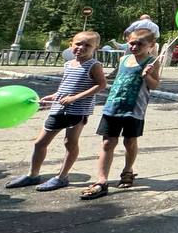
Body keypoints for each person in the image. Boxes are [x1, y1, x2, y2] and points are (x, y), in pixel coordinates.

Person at [6, 31, 107, 192]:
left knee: (69, 143)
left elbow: (101, 85)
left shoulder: (94, 65)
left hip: (77, 111)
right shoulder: (68, 64)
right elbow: (65, 86)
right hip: (58, 108)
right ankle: (33, 175)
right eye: (78, 44)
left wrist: (75, 98)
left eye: (87, 45)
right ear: (71, 44)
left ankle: (62, 177)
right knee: (40, 143)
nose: (81, 47)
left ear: (96, 47)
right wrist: (52, 97)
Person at [81, 27, 167, 199]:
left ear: (150, 45)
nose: (134, 47)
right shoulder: (124, 59)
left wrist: (147, 76)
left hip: (134, 110)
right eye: (132, 43)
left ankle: (128, 170)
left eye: (139, 44)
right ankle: (101, 180)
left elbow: (154, 85)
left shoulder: (152, 62)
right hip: (112, 106)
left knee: (129, 141)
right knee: (107, 143)